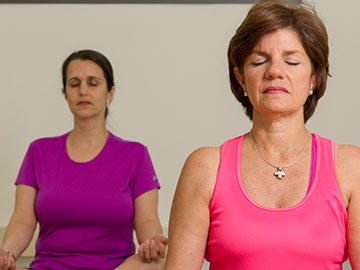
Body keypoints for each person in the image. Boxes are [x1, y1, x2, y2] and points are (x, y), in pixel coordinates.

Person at [165, 1, 360, 269]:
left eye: (291, 61)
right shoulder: (205, 167)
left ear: (314, 78)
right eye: (259, 61)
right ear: (241, 78)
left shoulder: (350, 167)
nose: (274, 72)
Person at [0, 49, 167, 270]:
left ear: (110, 92)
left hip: (116, 268)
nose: (83, 91)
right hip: (49, 267)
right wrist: (7, 254)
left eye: (93, 83)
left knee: (154, 264)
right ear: (66, 93)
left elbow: (147, 220)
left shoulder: (135, 154)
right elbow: (22, 220)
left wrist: (152, 241)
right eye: (74, 84)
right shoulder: (38, 151)